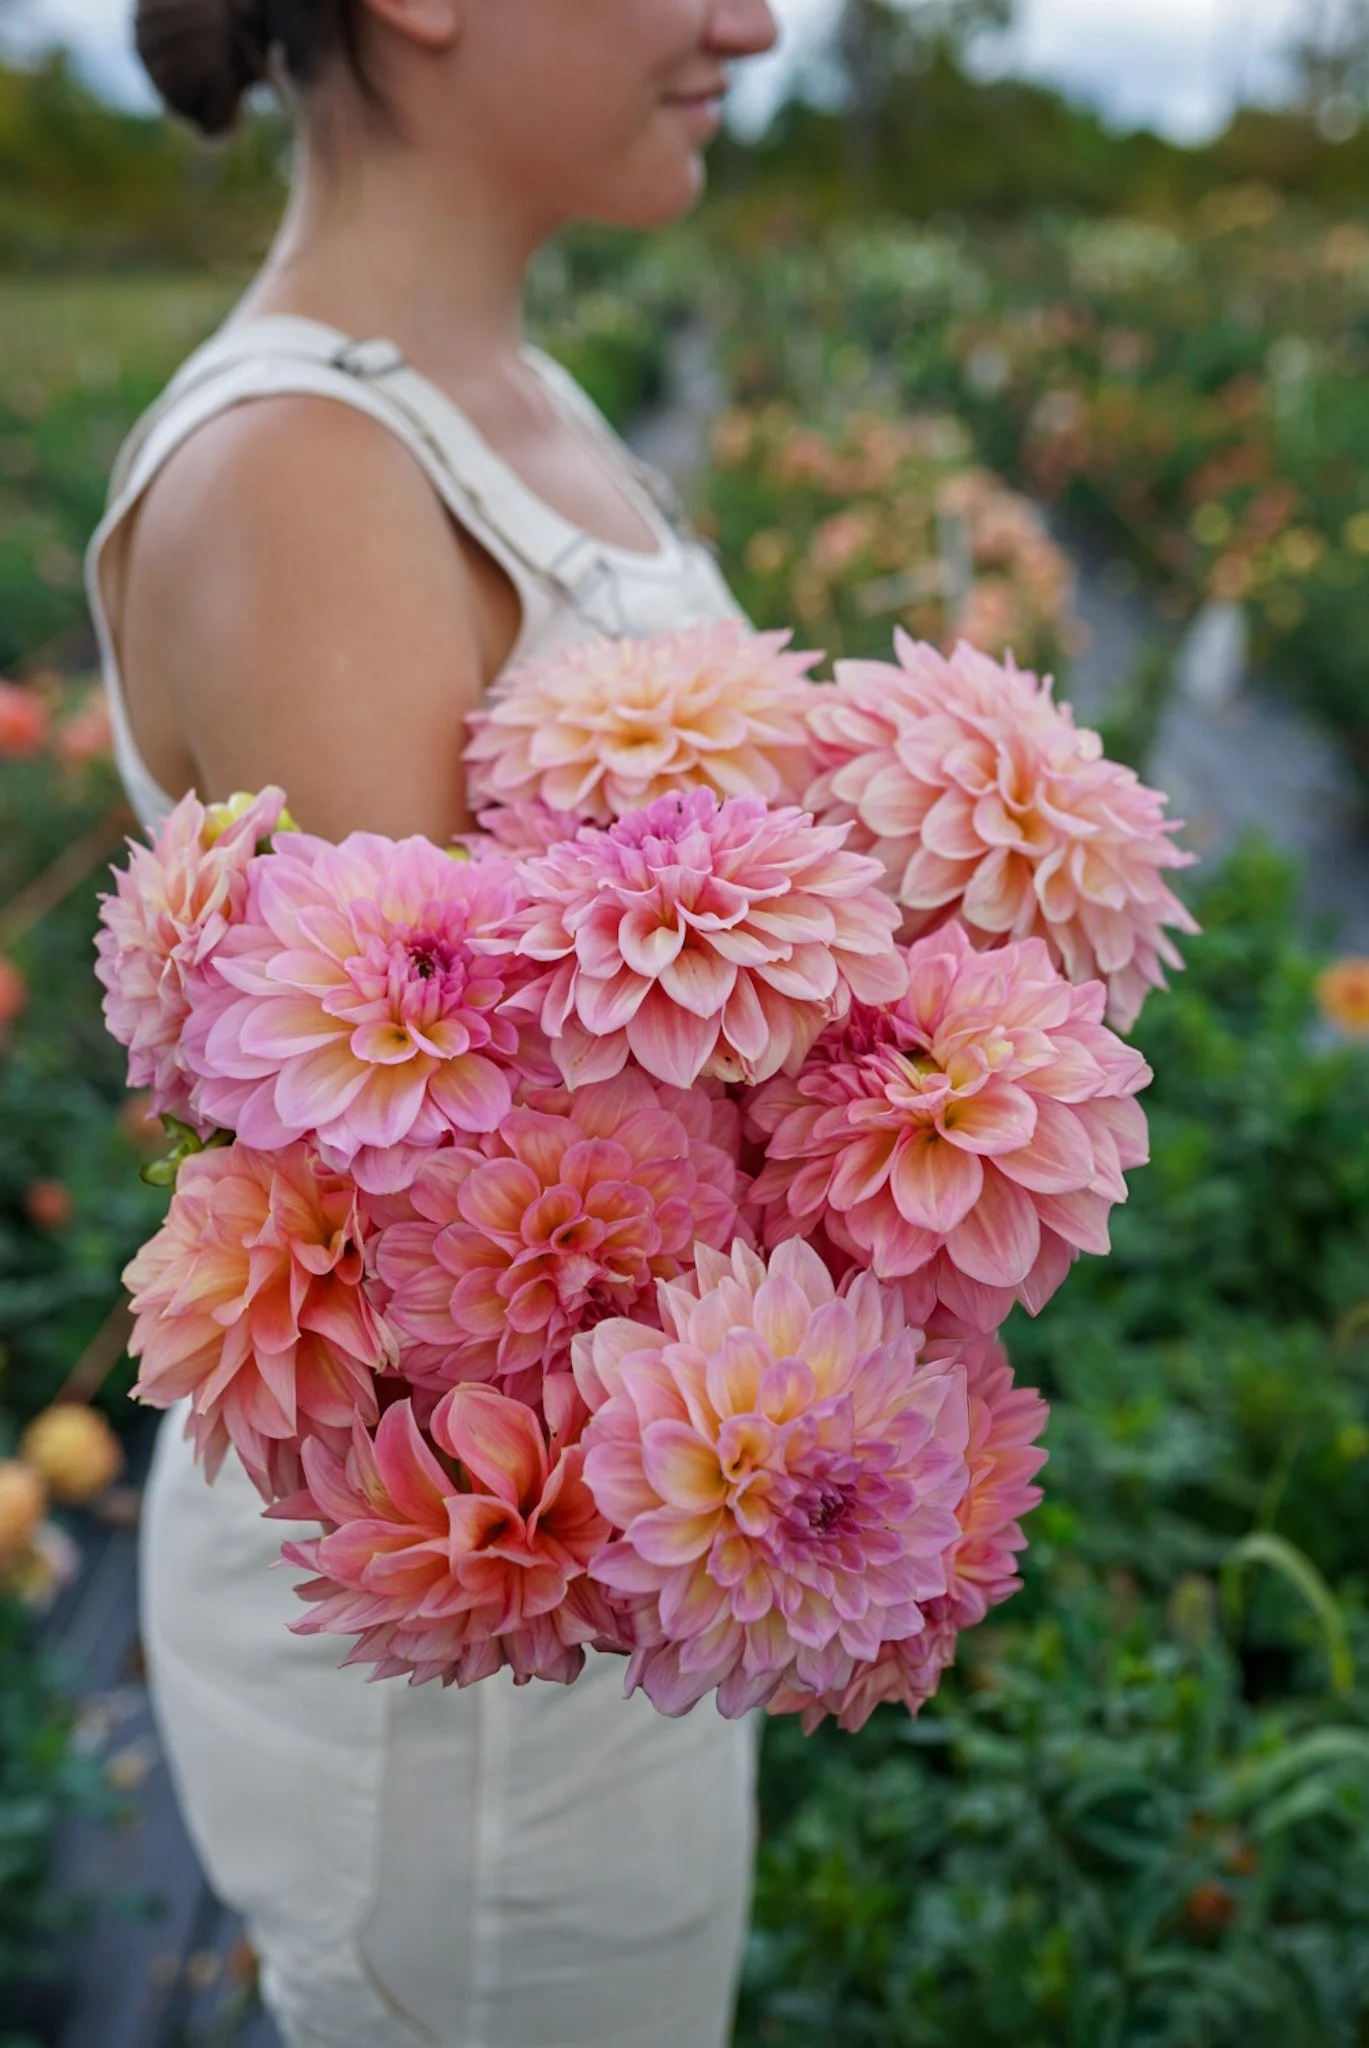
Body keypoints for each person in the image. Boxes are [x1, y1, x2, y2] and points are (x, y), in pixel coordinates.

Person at [83, 3, 781, 2043]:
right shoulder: (305, 474)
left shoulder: (510, 392)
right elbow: (478, 1240)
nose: (751, 21)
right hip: (486, 1652)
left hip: (605, 1594)